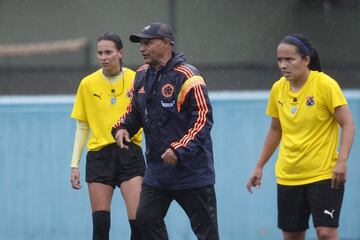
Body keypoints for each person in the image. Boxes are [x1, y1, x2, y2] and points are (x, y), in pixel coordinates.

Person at [111, 22, 220, 240]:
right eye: (141, 44)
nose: (142, 48)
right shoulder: (141, 74)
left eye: (148, 43)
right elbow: (134, 111)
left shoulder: (189, 77)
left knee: (207, 233)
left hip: (192, 173)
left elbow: (202, 120)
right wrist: (123, 127)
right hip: (158, 172)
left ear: (166, 44)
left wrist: (178, 149)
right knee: (145, 219)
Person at [246, 33, 355, 240]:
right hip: (289, 175)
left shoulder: (324, 85)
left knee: (326, 233)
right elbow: (276, 129)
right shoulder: (278, 89)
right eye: (280, 60)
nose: (283, 65)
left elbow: (348, 123)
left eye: (289, 59)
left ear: (306, 60)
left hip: (323, 174)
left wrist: (342, 161)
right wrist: (259, 165)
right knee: (292, 236)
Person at [70, 32, 145, 240]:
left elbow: (147, 117)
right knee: (101, 226)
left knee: (139, 222)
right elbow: (82, 125)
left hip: (130, 153)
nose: (103, 57)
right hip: (99, 156)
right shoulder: (87, 84)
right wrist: (74, 164)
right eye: (100, 53)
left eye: (108, 52)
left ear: (120, 53)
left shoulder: (136, 79)